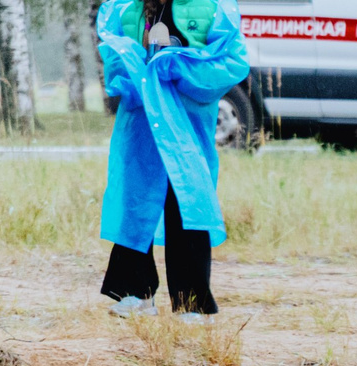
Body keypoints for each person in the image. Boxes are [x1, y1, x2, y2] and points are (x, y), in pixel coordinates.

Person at [96, 0, 246, 320]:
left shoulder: (208, 10)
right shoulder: (128, 10)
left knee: (185, 207)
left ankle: (191, 302)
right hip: (141, 130)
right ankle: (135, 293)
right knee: (136, 204)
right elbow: (115, 65)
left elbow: (231, 62)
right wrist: (133, 76)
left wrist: (180, 70)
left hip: (186, 128)